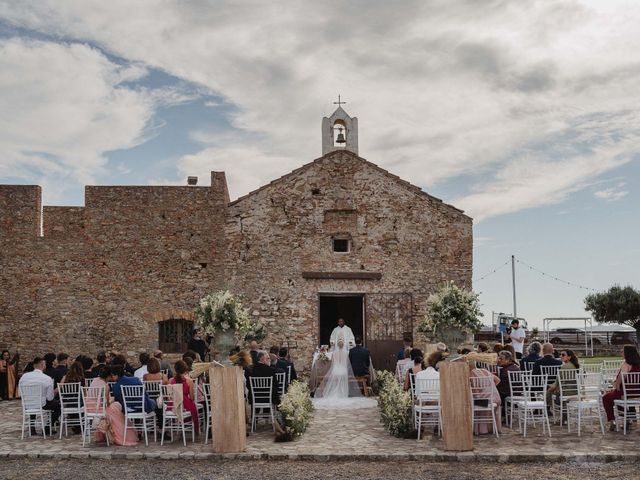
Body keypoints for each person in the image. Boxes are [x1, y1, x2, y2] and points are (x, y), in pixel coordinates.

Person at [96, 366, 139, 446]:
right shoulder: (135, 379)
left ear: (115, 375)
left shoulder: (115, 386)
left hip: (126, 407)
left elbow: (117, 400)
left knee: (113, 409)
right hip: (140, 405)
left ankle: (113, 434)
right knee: (114, 409)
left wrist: (111, 401)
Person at [602, 345, 640, 430]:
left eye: (622, 351)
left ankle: (613, 421)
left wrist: (614, 384)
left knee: (606, 397)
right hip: (638, 394)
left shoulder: (626, 364)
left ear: (627, 353)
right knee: (614, 395)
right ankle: (628, 418)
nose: (621, 353)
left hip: (626, 394)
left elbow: (619, 383)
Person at [18, 357, 60, 433]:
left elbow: (19, 393)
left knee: (34, 401)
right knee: (58, 405)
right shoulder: (47, 378)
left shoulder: (24, 377)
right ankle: (48, 427)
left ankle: (32, 427)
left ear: (34, 366)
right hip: (42, 405)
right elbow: (50, 398)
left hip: (27, 404)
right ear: (43, 365)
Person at [469, 360, 501, 434]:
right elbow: (498, 380)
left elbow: (475, 393)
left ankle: (476, 429)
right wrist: (489, 389)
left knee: (467, 403)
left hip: (484, 402)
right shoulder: (484, 370)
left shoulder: (471, 374)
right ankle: (492, 428)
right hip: (495, 400)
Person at [170, 360, 199, 435]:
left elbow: (170, 396)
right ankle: (194, 430)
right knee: (193, 406)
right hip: (184, 404)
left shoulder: (171, 381)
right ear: (185, 369)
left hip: (174, 405)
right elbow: (192, 398)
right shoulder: (189, 381)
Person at [494, 350, 520, 417]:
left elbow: (501, 385)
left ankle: (497, 415)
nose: (499, 360)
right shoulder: (516, 367)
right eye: (498, 358)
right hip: (518, 391)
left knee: (493, 392)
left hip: (507, 393)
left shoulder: (505, 370)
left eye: (501, 359)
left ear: (507, 360)